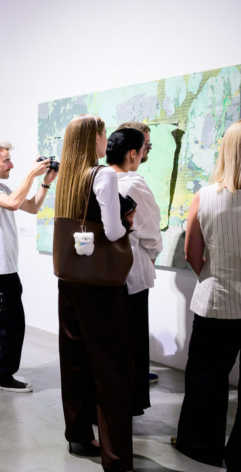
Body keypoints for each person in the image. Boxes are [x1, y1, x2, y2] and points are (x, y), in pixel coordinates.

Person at [175, 117, 241, 472]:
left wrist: (214, 278)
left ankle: (200, 448)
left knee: (205, 378)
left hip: (214, 303)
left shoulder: (205, 196)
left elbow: (191, 253)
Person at [53, 114, 143, 472]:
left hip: (70, 279)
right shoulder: (103, 175)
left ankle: (78, 434)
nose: (107, 140)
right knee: (114, 372)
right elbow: (112, 230)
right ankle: (118, 465)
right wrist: (128, 221)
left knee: (75, 360)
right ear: (95, 138)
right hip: (101, 286)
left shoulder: (68, 178)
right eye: (104, 134)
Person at [0, 141, 56, 392]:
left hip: (6, 267)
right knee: (14, 326)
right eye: (6, 160)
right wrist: (31, 174)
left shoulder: (2, 187)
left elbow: (32, 207)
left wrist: (45, 183)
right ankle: (3, 377)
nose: (12, 165)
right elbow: (13, 204)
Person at [108, 126, 163, 415]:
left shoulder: (97, 180)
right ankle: (129, 402)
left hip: (103, 275)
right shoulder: (134, 185)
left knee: (110, 342)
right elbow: (151, 233)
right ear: (132, 153)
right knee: (133, 341)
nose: (145, 154)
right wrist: (152, 257)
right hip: (131, 274)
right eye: (144, 149)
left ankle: (107, 401)